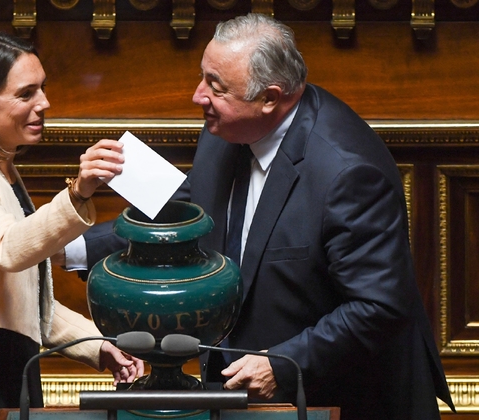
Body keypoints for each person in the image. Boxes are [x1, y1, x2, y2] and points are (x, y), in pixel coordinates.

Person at [68, 13, 456, 420]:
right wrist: (72, 246)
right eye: (203, 77)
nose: (198, 95)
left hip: (343, 400)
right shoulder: (229, 125)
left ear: (270, 97)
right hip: (247, 399)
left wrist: (284, 363)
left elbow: (379, 307)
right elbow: (195, 204)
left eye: (215, 86)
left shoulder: (347, 174)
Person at [0, 32, 143, 420]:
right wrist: (78, 193)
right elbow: (8, 249)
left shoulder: (2, 171)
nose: (45, 103)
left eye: (43, 89)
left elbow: (26, 304)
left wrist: (99, 346)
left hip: (12, 369)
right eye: (26, 94)